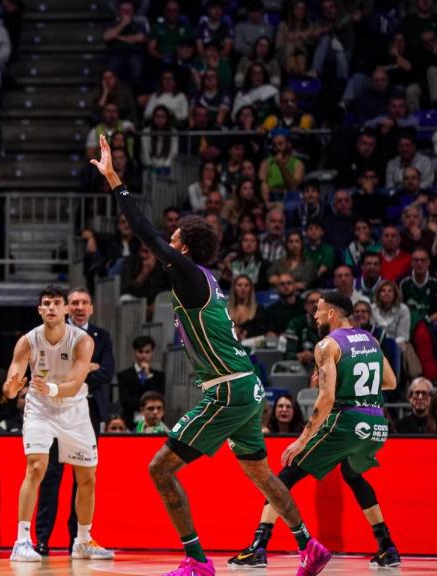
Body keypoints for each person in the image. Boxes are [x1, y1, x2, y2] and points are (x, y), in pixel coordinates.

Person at [91, 134, 327, 576]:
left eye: (174, 232)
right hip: (247, 387)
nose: (169, 233)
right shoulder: (206, 279)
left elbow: (143, 231)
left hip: (228, 389)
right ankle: (307, 545)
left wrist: (114, 179)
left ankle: (197, 561)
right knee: (259, 473)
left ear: (182, 246)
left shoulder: (186, 273)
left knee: (160, 469)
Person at [229, 292, 401, 569]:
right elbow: (390, 382)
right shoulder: (370, 339)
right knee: (352, 474)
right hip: (377, 426)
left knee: (283, 477)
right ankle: (387, 546)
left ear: (332, 313)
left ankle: (258, 546)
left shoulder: (327, 344)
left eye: (319, 310)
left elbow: (326, 399)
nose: (315, 315)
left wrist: (301, 440)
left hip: (345, 423)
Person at [2, 285, 114, 562]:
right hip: (40, 410)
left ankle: (83, 541)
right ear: (40, 310)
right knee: (36, 467)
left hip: (74, 410)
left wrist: (50, 388)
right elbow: (10, 382)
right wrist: (12, 388)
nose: (51, 307)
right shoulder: (27, 341)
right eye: (46, 303)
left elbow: (76, 382)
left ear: (65, 309)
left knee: (87, 477)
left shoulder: (83, 341)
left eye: (56, 303)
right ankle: (22, 540)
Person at [34, 287, 115, 554]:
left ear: (91, 307)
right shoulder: (55, 333)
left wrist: (76, 375)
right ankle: (42, 540)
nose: (79, 307)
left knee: (84, 477)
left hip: (88, 413)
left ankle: (77, 540)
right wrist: (83, 369)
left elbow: (106, 373)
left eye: (84, 303)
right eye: (75, 302)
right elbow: (54, 374)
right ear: (67, 307)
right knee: (50, 476)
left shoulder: (101, 337)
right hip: (56, 409)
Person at [117, 335, 166, 424]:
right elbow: (125, 401)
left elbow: (158, 398)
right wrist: (147, 406)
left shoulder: (159, 376)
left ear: (152, 353)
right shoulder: (124, 375)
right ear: (135, 352)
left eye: (147, 352)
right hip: (131, 420)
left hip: (154, 421)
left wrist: (148, 376)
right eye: (140, 352)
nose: (144, 355)